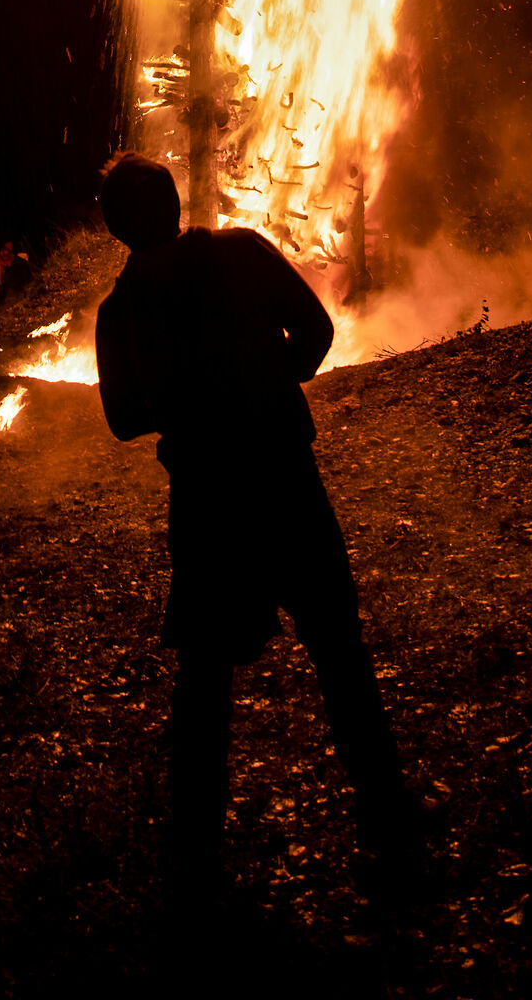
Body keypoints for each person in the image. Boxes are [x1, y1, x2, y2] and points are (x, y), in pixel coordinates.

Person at [94, 151, 420, 891]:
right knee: (338, 646)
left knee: (204, 675)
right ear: (175, 206)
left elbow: (119, 418)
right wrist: (278, 376)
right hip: (283, 477)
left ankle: (196, 849)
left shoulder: (122, 309)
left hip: (207, 500)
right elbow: (314, 331)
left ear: (118, 229)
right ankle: (386, 813)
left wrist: (179, 411)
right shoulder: (240, 252)